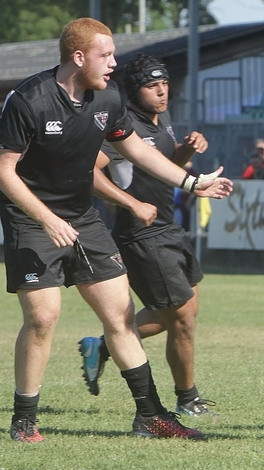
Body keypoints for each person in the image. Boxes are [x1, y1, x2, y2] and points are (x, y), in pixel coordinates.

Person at [0, 18, 232, 442]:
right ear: (78, 57)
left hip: (83, 219)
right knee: (43, 318)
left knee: (120, 316)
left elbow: (138, 151)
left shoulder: (108, 99)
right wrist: (47, 219)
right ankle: (24, 421)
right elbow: (5, 172)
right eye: (105, 55)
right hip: (30, 219)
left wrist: (192, 183)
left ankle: (150, 417)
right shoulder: (29, 100)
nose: (113, 64)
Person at [77, 53, 216, 417]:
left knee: (181, 314)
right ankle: (187, 399)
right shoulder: (122, 126)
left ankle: (102, 345)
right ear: (133, 90)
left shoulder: (163, 118)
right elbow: (89, 172)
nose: (161, 92)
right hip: (141, 235)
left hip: (169, 227)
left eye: (165, 84)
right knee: (181, 319)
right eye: (152, 86)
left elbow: (168, 166)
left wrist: (188, 148)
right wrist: (128, 203)